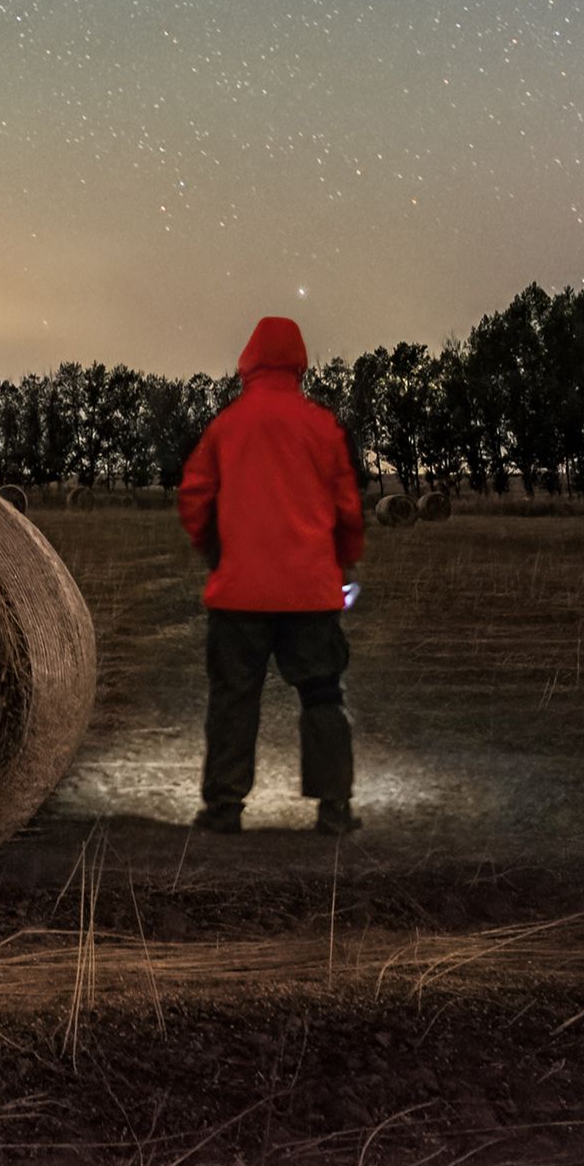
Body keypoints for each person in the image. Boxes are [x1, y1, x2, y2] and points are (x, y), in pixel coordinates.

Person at [176, 314, 365, 834]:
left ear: (249, 360)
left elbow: (194, 496)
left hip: (239, 592)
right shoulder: (323, 428)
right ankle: (333, 807)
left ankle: (223, 808)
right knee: (322, 695)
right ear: (300, 362)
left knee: (233, 699)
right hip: (310, 591)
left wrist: (215, 551)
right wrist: (343, 560)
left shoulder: (226, 426)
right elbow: (348, 507)